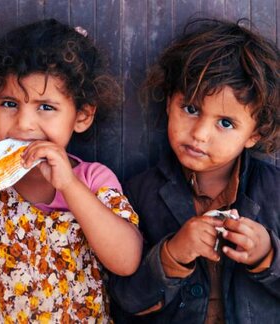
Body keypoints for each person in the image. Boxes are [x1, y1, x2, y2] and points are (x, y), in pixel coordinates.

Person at [0, 19, 142, 323]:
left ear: (81, 116)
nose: (24, 124)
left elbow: (126, 260)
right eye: (9, 103)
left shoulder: (92, 180)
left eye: (46, 107)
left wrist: (70, 186)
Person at [108, 18, 280, 323]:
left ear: (255, 134)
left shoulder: (274, 191)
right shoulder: (138, 193)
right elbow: (126, 299)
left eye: (225, 123)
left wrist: (267, 255)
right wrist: (171, 255)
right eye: (190, 109)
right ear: (169, 102)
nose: (200, 133)